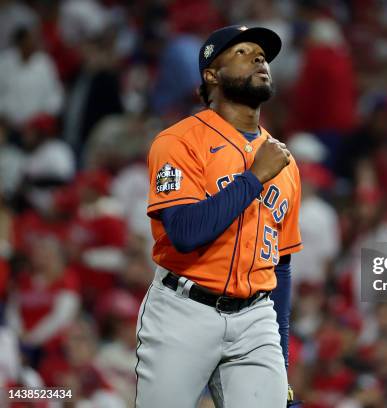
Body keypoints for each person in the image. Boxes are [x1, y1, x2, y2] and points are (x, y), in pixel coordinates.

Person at [135, 25, 302, 408]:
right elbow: (185, 232)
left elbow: (282, 267)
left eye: (262, 55)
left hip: (256, 318)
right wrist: (254, 177)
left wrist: (284, 367)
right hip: (183, 311)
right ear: (212, 75)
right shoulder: (178, 142)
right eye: (243, 53)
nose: (260, 59)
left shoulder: (286, 164)